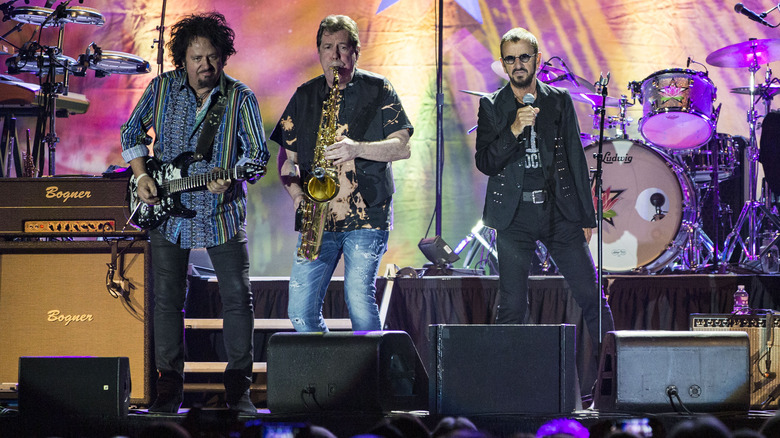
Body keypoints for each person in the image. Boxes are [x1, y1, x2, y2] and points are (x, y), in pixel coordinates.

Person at [120, 12, 269, 414]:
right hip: (167, 212)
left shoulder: (240, 97)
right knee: (167, 301)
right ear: (181, 59)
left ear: (224, 57)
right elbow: (130, 132)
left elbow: (258, 157)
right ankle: (169, 388)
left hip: (221, 211)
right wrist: (141, 177)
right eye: (196, 57)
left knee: (238, 299)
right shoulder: (162, 89)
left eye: (213, 57)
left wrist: (235, 177)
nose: (205, 65)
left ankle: (238, 388)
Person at [474, 27, 614, 397]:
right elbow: (485, 162)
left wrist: (587, 218)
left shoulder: (559, 100)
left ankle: (613, 383)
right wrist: (515, 129)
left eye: (524, 57)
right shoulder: (492, 105)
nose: (518, 64)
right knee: (513, 304)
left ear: (536, 59)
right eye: (510, 58)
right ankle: (510, 390)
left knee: (591, 296)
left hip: (558, 213)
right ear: (502, 64)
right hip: (513, 217)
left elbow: (575, 159)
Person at [270, 14, 412, 332]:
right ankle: (328, 376)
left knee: (359, 300)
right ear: (319, 52)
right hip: (315, 215)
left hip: (367, 215)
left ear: (355, 52)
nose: (335, 56)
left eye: (342, 48)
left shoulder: (379, 89)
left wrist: (355, 148)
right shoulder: (305, 96)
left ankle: (370, 378)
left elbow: (402, 148)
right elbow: (286, 161)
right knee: (299, 311)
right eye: (327, 47)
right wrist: (296, 195)